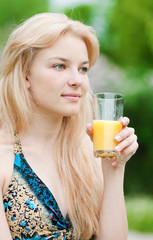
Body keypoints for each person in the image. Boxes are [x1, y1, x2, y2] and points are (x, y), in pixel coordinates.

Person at [0, 12, 138, 240]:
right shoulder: (4, 161)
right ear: (25, 74)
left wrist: (114, 169)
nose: (77, 80)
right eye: (59, 66)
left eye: (83, 69)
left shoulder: (89, 155)